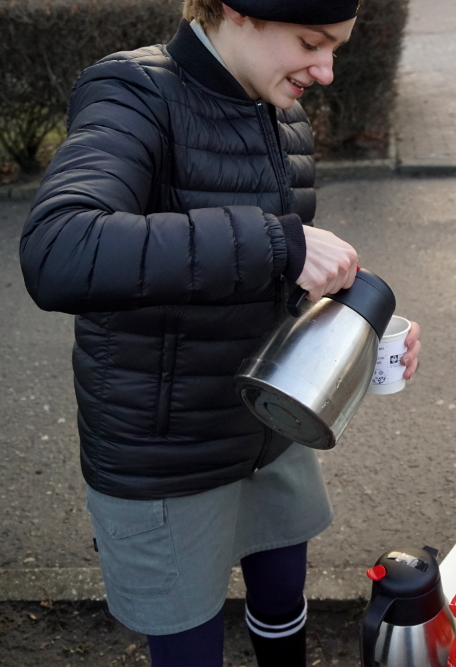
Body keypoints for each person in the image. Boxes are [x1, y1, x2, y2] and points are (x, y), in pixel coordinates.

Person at [19, 1, 422, 665]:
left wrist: (359, 325)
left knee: (282, 596)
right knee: (190, 642)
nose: (324, 71)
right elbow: (60, 249)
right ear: (239, 11)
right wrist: (278, 241)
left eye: (337, 50)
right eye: (311, 42)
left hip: (268, 421)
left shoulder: (282, 111)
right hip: (167, 453)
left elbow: (272, 276)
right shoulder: (132, 91)